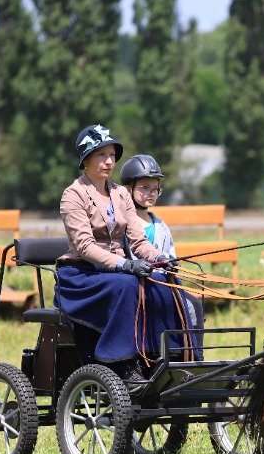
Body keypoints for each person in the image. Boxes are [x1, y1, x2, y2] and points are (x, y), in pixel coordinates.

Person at [54, 124, 184, 382]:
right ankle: (124, 364)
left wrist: (159, 258)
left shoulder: (120, 194)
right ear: (85, 160)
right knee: (127, 285)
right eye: (101, 155)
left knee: (164, 283)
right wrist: (124, 264)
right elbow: (85, 247)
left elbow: (137, 240)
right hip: (81, 276)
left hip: (113, 274)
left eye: (112, 155)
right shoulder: (73, 196)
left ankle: (168, 358)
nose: (109, 161)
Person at [120, 153, 204, 358]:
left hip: (162, 282)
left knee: (194, 305)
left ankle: (192, 357)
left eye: (155, 188)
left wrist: (171, 264)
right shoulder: (123, 224)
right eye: (144, 187)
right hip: (135, 284)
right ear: (127, 189)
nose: (151, 193)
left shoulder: (161, 226)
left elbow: (169, 254)